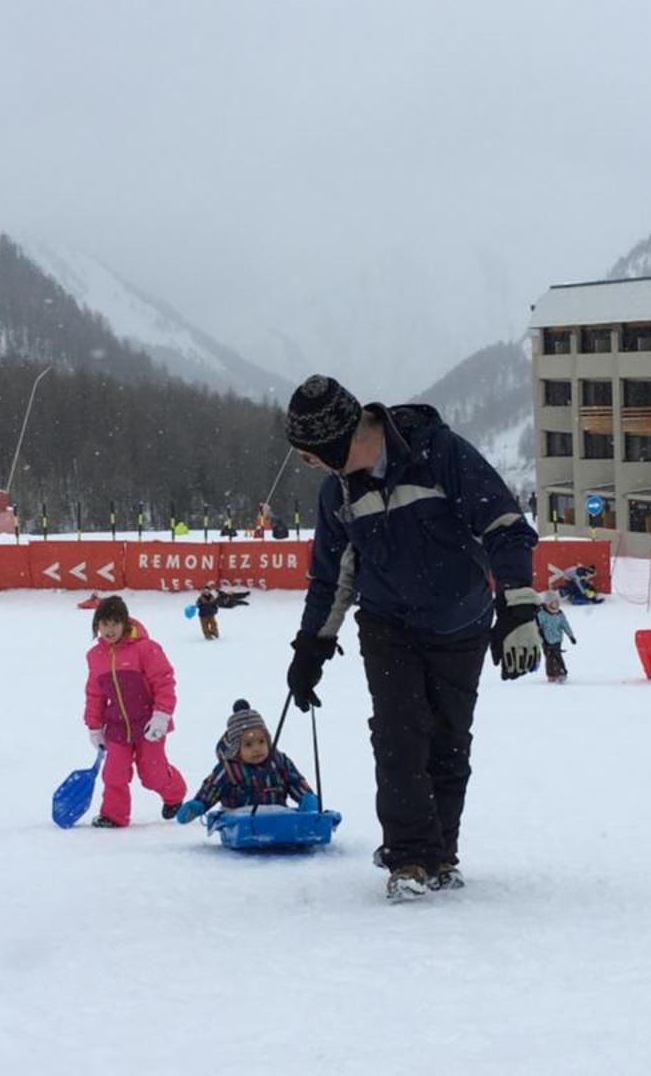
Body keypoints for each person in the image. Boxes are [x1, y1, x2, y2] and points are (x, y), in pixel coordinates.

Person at [283, 374, 539, 901]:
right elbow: (330, 578)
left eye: (310, 455)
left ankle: (441, 854)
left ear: (338, 443)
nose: (309, 466)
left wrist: (516, 605)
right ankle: (408, 858)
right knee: (398, 738)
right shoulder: (339, 495)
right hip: (388, 626)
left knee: (448, 741)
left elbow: (505, 524)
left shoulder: (437, 454)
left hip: (461, 622)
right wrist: (312, 646)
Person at [84, 595, 187, 828]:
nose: (109, 630)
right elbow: (94, 694)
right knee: (113, 774)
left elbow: (164, 682)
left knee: (152, 775)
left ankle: (175, 793)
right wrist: (94, 726)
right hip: (117, 726)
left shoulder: (145, 649)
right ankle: (113, 814)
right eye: (104, 624)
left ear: (125, 623)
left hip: (148, 723)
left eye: (114, 623)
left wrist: (161, 715)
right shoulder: (95, 657)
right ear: (96, 625)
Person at [175, 699, 318, 823]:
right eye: (248, 744)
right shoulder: (229, 769)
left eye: (262, 741)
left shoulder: (279, 761)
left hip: (277, 815)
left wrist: (307, 798)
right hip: (240, 817)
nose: (257, 749)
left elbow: (295, 781)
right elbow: (212, 788)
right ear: (236, 749)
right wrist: (199, 805)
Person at [537, 592, 576, 681]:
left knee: (557, 655)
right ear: (548, 603)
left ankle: (561, 672)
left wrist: (571, 636)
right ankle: (551, 674)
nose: (556, 604)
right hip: (545, 640)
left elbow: (565, 625)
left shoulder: (559, 614)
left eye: (557, 602)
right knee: (549, 657)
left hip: (557, 639)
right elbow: (536, 625)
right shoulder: (542, 614)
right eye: (553, 603)